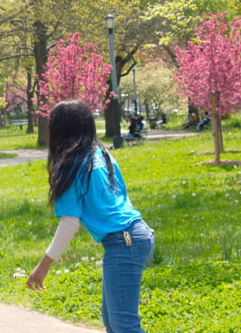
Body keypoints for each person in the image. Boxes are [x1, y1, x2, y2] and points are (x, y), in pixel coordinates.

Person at [26, 100, 154, 332]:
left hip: (123, 241)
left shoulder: (72, 165)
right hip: (136, 234)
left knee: (124, 326)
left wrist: (43, 266)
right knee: (113, 324)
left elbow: (69, 223)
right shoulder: (100, 154)